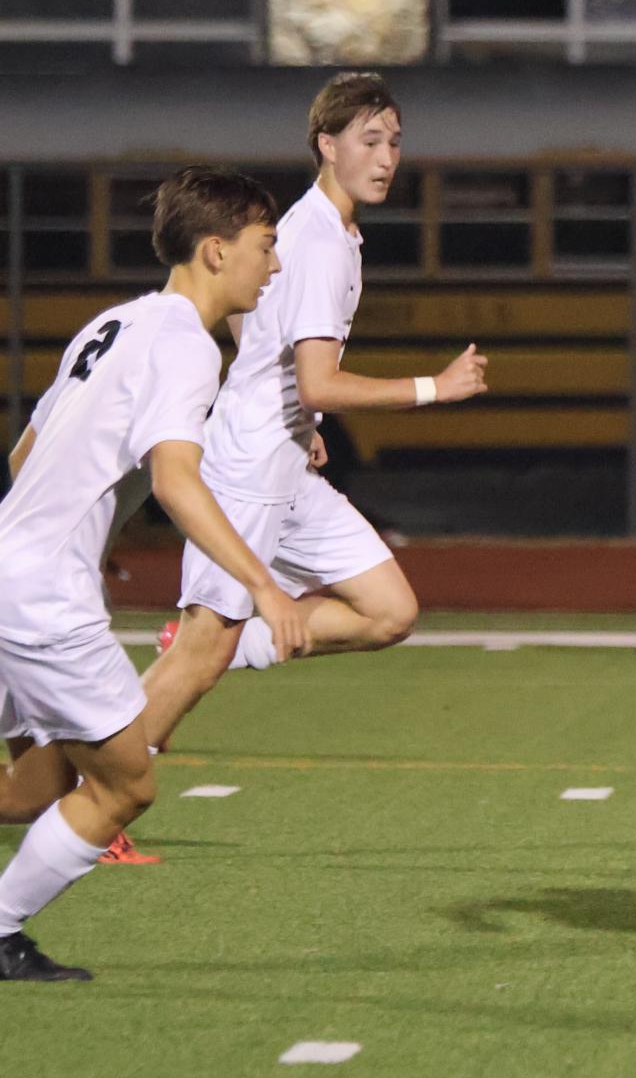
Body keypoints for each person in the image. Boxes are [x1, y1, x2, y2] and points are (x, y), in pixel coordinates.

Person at [135, 74, 488, 831]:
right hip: (250, 469)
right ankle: (92, 808)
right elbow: (323, 380)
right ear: (327, 146)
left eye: (394, 140)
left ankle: (238, 645)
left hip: (282, 460)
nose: (387, 156)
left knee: (390, 611)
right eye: (369, 140)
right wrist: (436, 387)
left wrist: (295, 404)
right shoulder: (321, 241)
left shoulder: (316, 228)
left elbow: (254, 326)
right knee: (196, 659)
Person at [0, 167, 310, 980]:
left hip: (10, 562)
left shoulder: (115, 322)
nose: (272, 267)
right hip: (38, 593)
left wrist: (84, 527)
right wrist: (268, 585)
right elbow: (176, 480)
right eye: (264, 247)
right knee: (126, 785)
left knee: (35, 788)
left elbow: (27, 453)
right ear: (216, 250)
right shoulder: (185, 347)